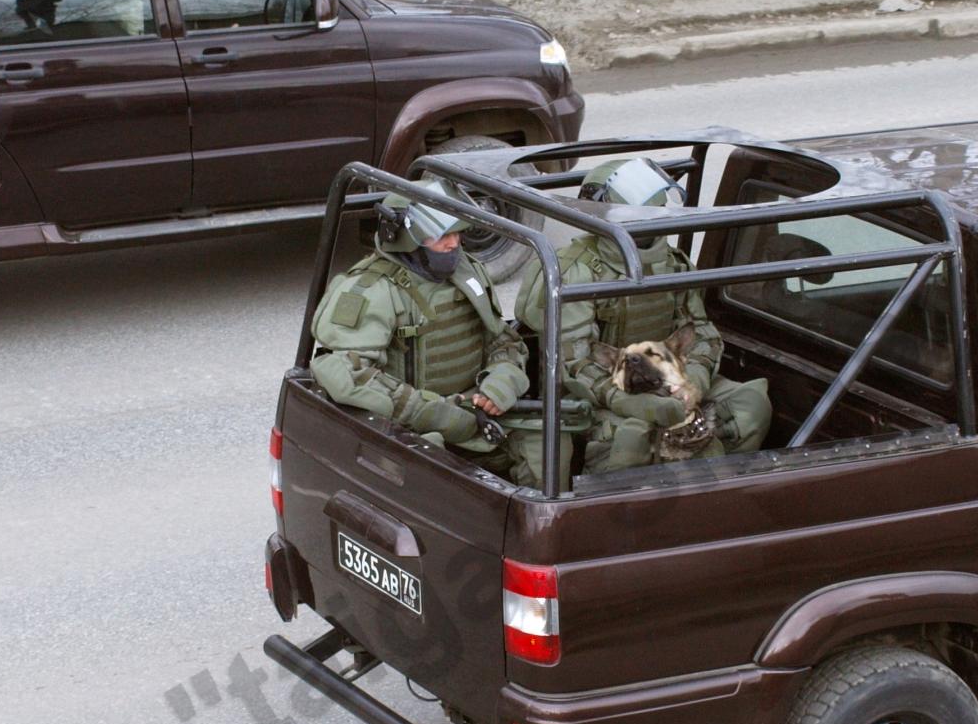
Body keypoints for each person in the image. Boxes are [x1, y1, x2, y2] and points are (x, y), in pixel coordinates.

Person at [516, 156, 772, 475]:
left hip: (667, 379)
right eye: (644, 212)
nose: (655, 218)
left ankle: (712, 480)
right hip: (602, 396)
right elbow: (575, 361)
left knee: (750, 405)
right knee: (632, 438)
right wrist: (633, 403)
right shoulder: (577, 272)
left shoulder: (672, 263)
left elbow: (700, 333)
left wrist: (692, 382)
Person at [311, 180, 541, 486]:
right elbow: (348, 374)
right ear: (405, 240)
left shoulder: (466, 272)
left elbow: (502, 339)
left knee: (547, 447)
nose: (453, 244)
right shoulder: (369, 291)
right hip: (414, 432)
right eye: (441, 236)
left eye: (457, 234)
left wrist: (501, 381)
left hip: (480, 415)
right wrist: (433, 413)